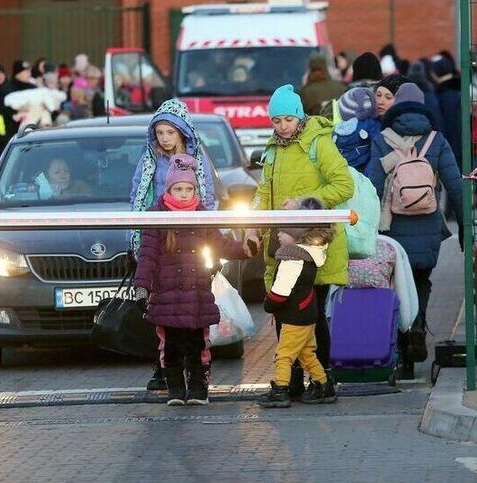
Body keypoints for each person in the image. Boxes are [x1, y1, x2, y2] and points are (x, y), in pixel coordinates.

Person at [244, 84, 354, 396]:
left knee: (312, 316)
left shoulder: (319, 143)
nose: (282, 127)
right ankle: (290, 378)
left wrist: (306, 201)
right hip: (283, 245)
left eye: (287, 120)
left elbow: (343, 185)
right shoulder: (273, 149)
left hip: (317, 244)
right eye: (276, 121)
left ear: (299, 116)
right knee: (284, 313)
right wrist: (252, 227)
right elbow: (264, 192)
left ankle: (321, 379)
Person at [365, 83, 463, 379]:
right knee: (421, 280)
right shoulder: (437, 140)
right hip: (429, 228)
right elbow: (456, 186)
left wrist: (368, 229)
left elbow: (373, 185)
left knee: (397, 286)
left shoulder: (383, 139)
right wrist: (467, 231)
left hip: (394, 230)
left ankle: (403, 353)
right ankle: (419, 325)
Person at [132, 154, 246, 406]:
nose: (183, 194)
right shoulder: (157, 216)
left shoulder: (201, 214)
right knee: (170, 345)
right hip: (167, 295)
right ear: (169, 189)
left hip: (196, 294)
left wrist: (244, 250)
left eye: (188, 189)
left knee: (197, 345)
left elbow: (219, 243)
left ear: (195, 189)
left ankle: (197, 388)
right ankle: (175, 389)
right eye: (178, 189)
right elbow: (148, 255)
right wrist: (142, 286)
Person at [129, 97, 219, 391]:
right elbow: (138, 197)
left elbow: (206, 198)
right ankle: (164, 366)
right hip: (163, 241)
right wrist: (139, 236)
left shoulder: (198, 161)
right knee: (164, 309)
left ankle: (198, 368)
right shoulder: (149, 161)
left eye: (170, 132)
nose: (165, 139)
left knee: (193, 312)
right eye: (160, 133)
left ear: (182, 132)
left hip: (191, 243)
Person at [258, 198, 338, 407]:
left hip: (294, 316)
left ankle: (281, 389)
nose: (278, 234)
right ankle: (323, 384)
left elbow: (281, 290)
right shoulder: (309, 254)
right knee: (306, 354)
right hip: (306, 313)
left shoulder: (291, 259)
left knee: (284, 355)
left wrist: (269, 304)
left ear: (294, 236)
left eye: (283, 232)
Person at [333, 86, 383, 172]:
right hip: (364, 166)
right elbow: (380, 145)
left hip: (344, 169)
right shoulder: (370, 124)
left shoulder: (336, 130)